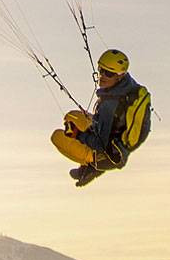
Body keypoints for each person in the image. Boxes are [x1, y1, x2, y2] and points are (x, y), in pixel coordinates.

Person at [50, 49, 150, 187]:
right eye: (101, 70)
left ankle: (91, 166)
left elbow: (100, 144)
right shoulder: (128, 86)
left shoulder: (110, 106)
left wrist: (76, 134)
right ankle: (92, 160)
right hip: (117, 139)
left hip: (108, 155)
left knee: (57, 136)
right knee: (72, 116)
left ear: (119, 76)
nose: (102, 76)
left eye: (108, 73)